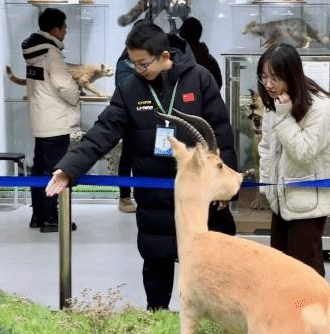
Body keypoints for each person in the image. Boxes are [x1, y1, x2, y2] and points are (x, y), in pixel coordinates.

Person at [46, 21, 237, 310]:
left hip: (200, 196)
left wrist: (225, 189)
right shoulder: (130, 90)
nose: (138, 69)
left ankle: (207, 324)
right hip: (154, 197)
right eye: (132, 63)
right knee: (157, 264)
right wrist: (69, 168)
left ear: (164, 56)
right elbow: (103, 131)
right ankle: (156, 319)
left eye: (143, 63)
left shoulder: (199, 79)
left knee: (208, 270)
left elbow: (221, 133)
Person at [257, 42, 330, 277]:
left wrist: (284, 118)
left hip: (310, 201)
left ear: (292, 74)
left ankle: (314, 304)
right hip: (281, 199)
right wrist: (267, 188)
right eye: (264, 77)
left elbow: (304, 152)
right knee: (280, 269)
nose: (268, 84)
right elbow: (266, 147)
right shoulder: (275, 104)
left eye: (275, 78)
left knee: (305, 271)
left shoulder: (320, 107)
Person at [23, 7, 80, 233]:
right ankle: (50, 217)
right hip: (55, 121)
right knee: (55, 171)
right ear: (55, 29)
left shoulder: (32, 52)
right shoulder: (51, 53)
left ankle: (38, 215)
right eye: (64, 27)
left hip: (40, 118)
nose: (66, 32)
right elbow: (64, 85)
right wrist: (76, 94)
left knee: (39, 169)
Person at [115, 48, 137, 213]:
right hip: (130, 119)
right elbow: (126, 89)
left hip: (150, 118)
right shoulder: (124, 64)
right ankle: (124, 196)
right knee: (127, 157)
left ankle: (144, 194)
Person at [179, 17, 223, 89]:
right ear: (200, 33)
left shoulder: (178, 61)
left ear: (181, 34)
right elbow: (218, 84)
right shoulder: (209, 60)